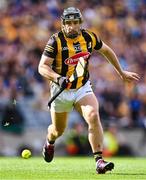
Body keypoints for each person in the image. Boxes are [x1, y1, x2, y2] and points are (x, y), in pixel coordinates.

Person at [38, 7, 140, 174]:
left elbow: (106, 50)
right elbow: (42, 67)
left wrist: (121, 72)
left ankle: (99, 160)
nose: (72, 26)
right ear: (63, 24)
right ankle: (50, 141)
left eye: (75, 22)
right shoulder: (55, 41)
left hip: (82, 87)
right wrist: (57, 78)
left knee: (93, 115)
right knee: (58, 130)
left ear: (80, 23)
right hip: (60, 90)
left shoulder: (89, 37)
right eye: (69, 23)